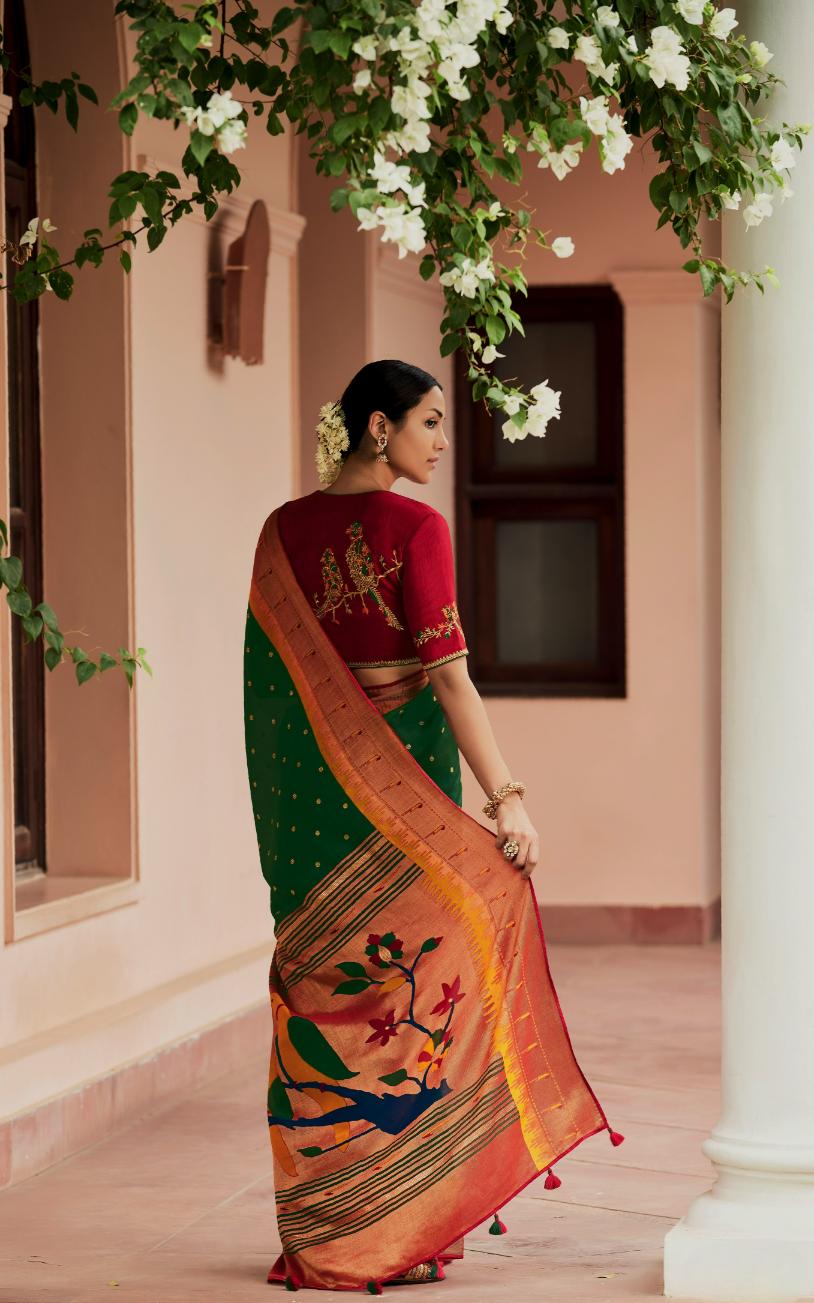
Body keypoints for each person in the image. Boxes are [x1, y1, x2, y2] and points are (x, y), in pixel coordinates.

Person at [244, 360, 623, 1293]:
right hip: (399, 804)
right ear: (380, 427)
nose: (443, 442)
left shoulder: (278, 533)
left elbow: (263, 699)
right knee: (420, 987)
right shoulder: (418, 528)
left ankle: (329, 1233)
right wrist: (508, 800)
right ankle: (399, 1226)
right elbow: (449, 676)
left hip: (308, 816)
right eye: (431, 421)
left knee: (332, 994)